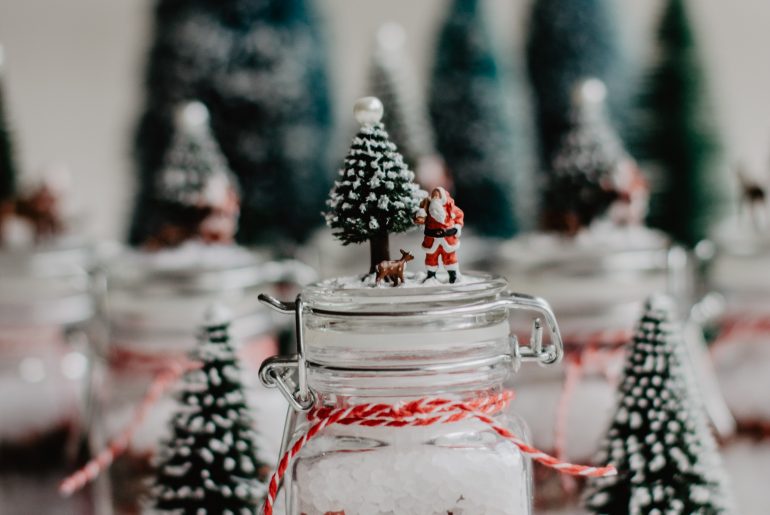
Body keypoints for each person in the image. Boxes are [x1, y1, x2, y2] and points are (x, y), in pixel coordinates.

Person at [414, 186, 464, 283]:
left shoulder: (450, 207)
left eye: (437, 195)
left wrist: (457, 227)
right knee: (431, 258)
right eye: (434, 195)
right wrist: (419, 215)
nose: (435, 198)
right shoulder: (428, 208)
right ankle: (431, 276)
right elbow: (420, 218)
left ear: (442, 197)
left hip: (448, 240)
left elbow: (459, 215)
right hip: (432, 240)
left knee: (450, 257)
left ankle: (453, 275)